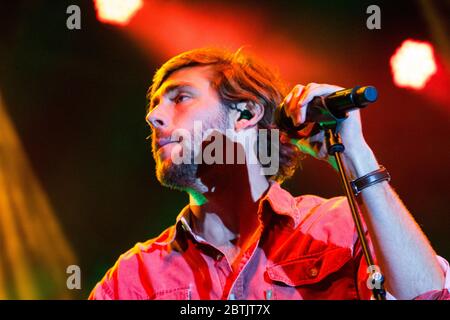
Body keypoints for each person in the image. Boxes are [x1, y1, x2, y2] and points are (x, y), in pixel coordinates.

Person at [89, 48, 449, 300]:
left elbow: (425, 296)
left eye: (180, 98)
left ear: (246, 114)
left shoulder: (339, 227)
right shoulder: (133, 279)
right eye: (154, 106)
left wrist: (355, 154)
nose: (154, 117)